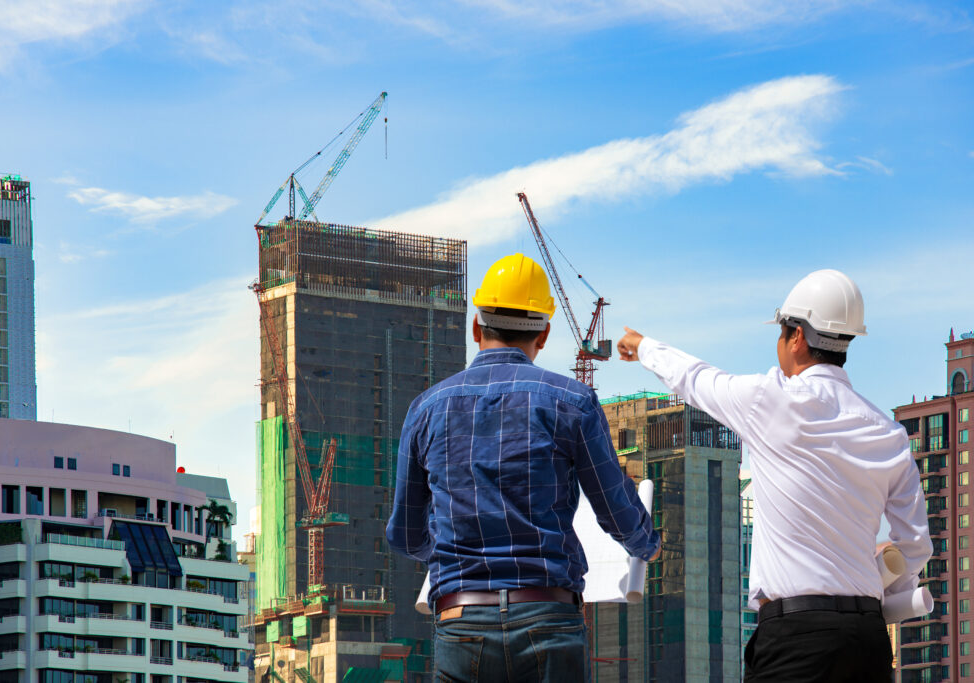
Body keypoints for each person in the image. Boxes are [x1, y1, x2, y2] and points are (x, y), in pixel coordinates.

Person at [616, 268, 932, 682]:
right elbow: (915, 545)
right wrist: (885, 584)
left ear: (796, 336)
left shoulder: (770, 401)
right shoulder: (888, 433)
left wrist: (642, 346)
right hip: (867, 639)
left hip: (795, 638)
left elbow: (695, 379)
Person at [386, 253, 659, 683]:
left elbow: (404, 534)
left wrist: (451, 558)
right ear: (545, 334)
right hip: (548, 616)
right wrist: (646, 544)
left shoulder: (426, 409)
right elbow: (614, 508)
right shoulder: (572, 402)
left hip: (461, 618)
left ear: (477, 327)